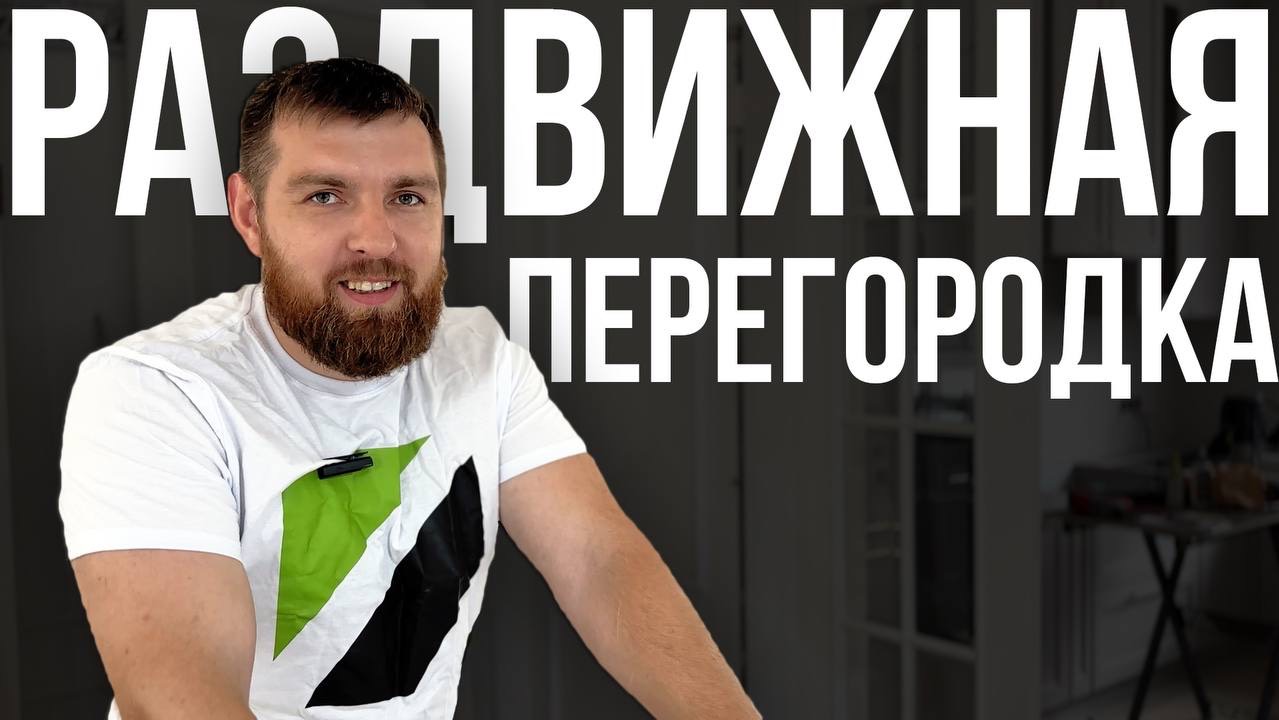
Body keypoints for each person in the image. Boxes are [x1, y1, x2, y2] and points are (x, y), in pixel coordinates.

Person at [59, 57, 758, 720]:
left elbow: (598, 561)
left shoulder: (481, 359)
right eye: (325, 196)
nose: (376, 239)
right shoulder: (157, 391)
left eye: (407, 197)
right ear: (250, 215)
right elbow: (183, 695)